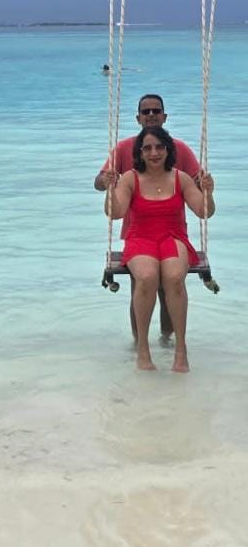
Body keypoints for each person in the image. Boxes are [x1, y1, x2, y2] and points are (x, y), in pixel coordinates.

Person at [104, 125, 215, 372]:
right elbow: (116, 213)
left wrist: (208, 192)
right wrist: (110, 190)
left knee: (174, 277)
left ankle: (181, 350)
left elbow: (204, 211)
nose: (154, 153)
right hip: (140, 238)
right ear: (140, 152)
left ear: (168, 149)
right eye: (147, 148)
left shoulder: (180, 178)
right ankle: (143, 350)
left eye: (159, 147)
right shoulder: (130, 178)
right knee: (146, 277)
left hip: (173, 237)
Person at [94, 94, 200, 338]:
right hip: (138, 232)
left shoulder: (179, 149)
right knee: (142, 284)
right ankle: (138, 345)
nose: (151, 115)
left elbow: (196, 184)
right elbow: (98, 182)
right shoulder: (124, 148)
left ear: (164, 116)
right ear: (138, 118)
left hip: (172, 232)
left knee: (170, 286)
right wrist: (106, 181)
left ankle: (166, 341)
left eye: (156, 110)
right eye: (146, 111)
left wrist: (203, 186)